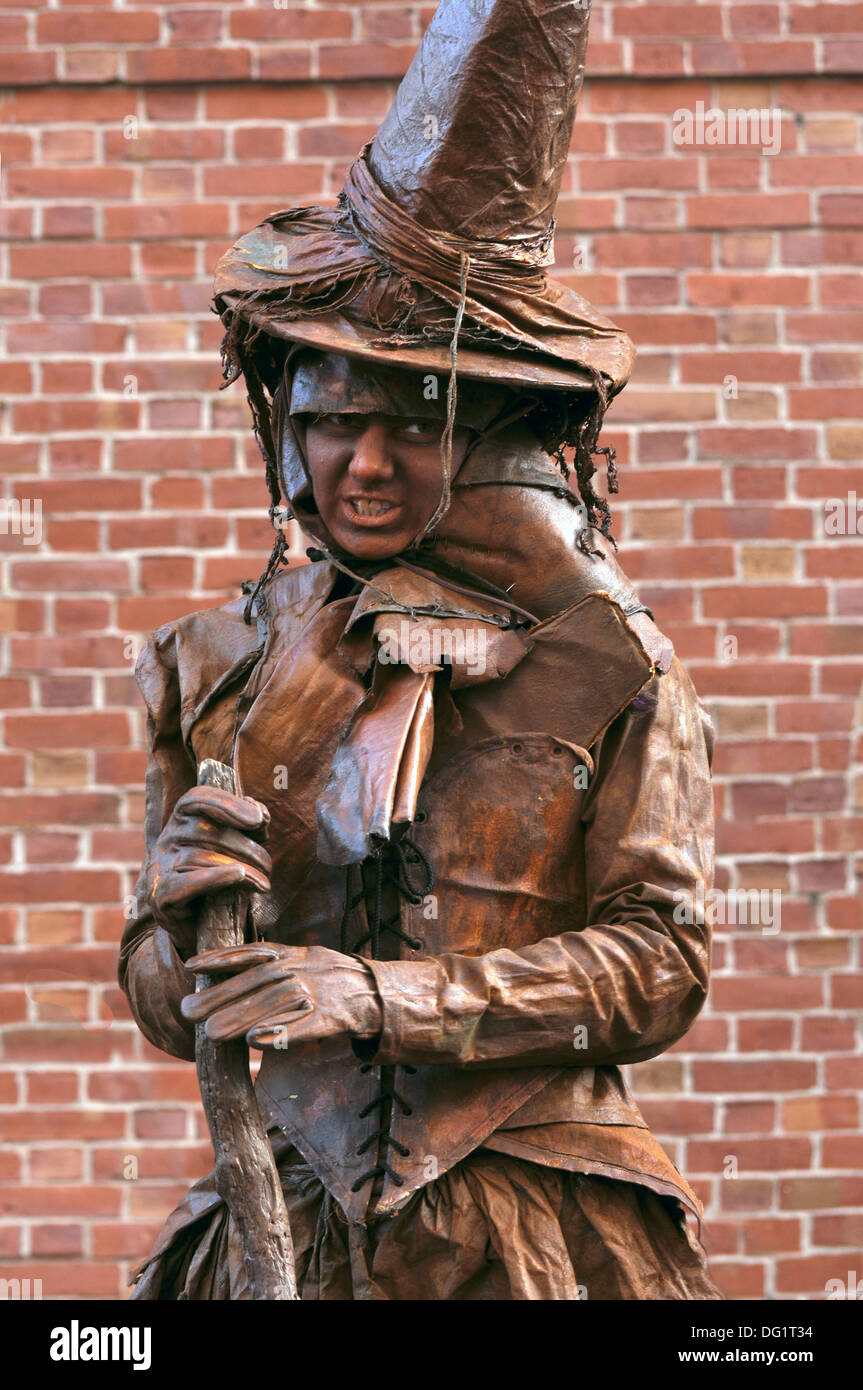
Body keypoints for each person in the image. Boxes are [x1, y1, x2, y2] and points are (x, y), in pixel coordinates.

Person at [119, 0, 723, 1300]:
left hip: (531, 1231)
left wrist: (387, 999)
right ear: (288, 423)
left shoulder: (603, 659)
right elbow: (170, 1003)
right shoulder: (211, 662)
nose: (370, 461)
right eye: (338, 412)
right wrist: (179, 917)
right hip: (276, 1227)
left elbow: (665, 964)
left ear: (487, 429)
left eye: (418, 413)